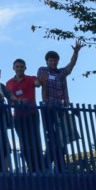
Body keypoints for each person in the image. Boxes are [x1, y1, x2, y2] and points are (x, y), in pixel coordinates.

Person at [37, 42, 84, 171]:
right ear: (47, 61)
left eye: (55, 60)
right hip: (48, 107)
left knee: (62, 137)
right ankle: (51, 165)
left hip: (61, 107)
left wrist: (76, 52)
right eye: (50, 60)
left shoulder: (60, 73)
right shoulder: (43, 70)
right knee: (51, 135)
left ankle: (54, 165)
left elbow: (71, 65)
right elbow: (41, 82)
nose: (53, 62)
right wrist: (42, 82)